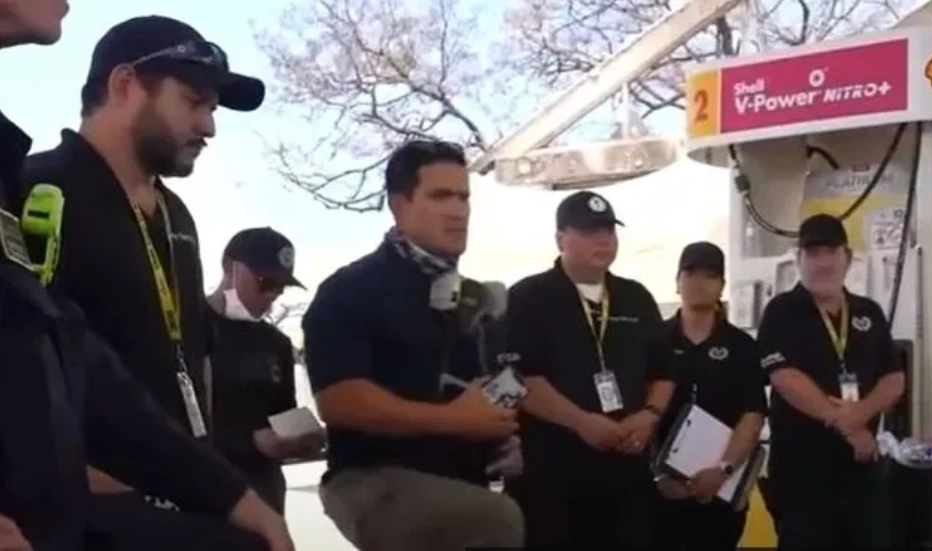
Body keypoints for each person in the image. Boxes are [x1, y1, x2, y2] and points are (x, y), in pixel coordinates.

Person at [0, 2, 292, 550]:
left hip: (184, 485)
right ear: (126, 84)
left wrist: (214, 484)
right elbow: (34, 369)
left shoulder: (178, 216)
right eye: (193, 101)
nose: (208, 125)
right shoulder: (41, 190)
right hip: (92, 509)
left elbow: (182, 359)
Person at [303, 140, 524, 551]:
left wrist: (499, 437)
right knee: (496, 519)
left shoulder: (477, 299)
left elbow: (492, 391)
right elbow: (339, 401)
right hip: (373, 478)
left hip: (464, 478)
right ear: (399, 205)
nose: (459, 210)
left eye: (464, 197)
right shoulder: (349, 290)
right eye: (441, 196)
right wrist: (455, 420)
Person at [502, 190, 675, 548]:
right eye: (588, 231)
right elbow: (509, 381)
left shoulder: (636, 297)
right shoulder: (527, 297)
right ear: (560, 238)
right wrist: (581, 422)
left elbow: (664, 371)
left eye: (609, 231)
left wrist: (649, 415)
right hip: (551, 480)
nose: (602, 240)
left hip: (624, 478)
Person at [756, 213, 906, 548]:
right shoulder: (782, 311)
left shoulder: (868, 312)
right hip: (803, 476)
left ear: (847, 257)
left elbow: (894, 378)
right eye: (812, 253)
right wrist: (848, 425)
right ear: (798, 259)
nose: (822, 263)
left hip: (861, 471)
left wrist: (862, 410)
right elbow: (785, 378)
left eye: (830, 252)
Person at [650, 242, 767, 550]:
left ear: (721, 285)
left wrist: (724, 470)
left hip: (720, 489)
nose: (699, 283)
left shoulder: (742, 347)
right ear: (677, 282)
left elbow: (753, 415)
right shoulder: (653, 341)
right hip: (661, 494)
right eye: (690, 273)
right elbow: (637, 411)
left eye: (709, 275)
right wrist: (658, 476)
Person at [206, 227, 323, 514]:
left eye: (280, 287)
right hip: (201, 487)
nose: (272, 294)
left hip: (263, 490)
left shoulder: (276, 344)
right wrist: (248, 441)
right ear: (228, 267)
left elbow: (285, 415)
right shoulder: (186, 329)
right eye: (265, 282)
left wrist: (302, 439)